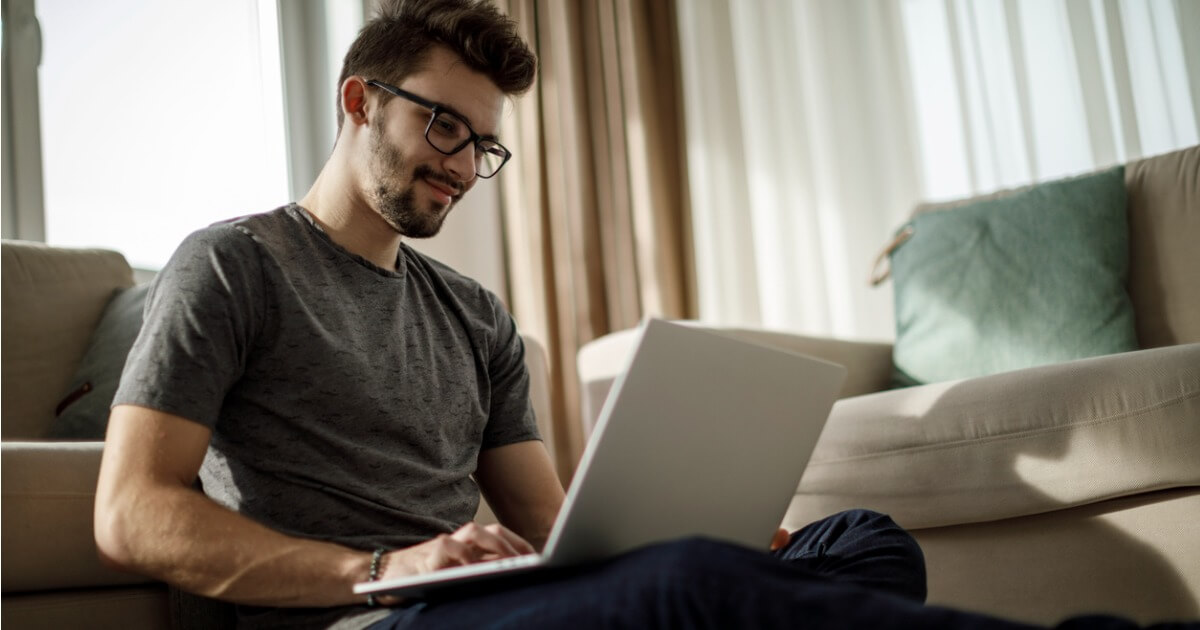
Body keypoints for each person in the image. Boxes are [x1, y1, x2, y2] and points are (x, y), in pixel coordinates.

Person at [93, 2, 1158, 630]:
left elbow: (555, 528)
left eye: (483, 145)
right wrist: (380, 569)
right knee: (693, 588)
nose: (462, 165)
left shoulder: (474, 315)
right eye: (444, 127)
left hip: (488, 603)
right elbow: (129, 512)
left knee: (863, 544)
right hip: (368, 618)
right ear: (360, 100)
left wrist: (703, 524)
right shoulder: (234, 267)